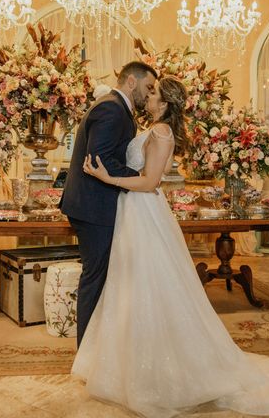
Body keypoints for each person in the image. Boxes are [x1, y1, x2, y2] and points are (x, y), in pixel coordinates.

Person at [74, 76, 269, 418]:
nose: (148, 94)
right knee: (131, 286)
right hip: (132, 213)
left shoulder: (161, 133)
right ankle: (131, 363)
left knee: (148, 285)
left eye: (154, 92)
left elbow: (149, 182)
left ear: (165, 103)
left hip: (142, 211)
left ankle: (156, 370)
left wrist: (107, 178)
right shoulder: (154, 127)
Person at [60, 60, 157, 347]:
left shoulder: (117, 108)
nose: (150, 93)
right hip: (93, 207)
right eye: (148, 87)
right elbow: (98, 160)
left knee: (102, 277)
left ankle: (99, 348)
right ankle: (86, 353)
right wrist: (142, 178)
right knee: (95, 279)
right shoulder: (112, 108)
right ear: (131, 81)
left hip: (97, 204)